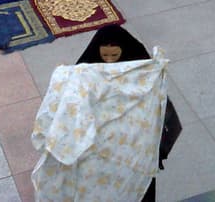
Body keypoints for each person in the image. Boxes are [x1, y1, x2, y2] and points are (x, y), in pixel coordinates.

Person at [73, 25, 182, 202]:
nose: (109, 62)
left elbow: (161, 114)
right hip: (103, 156)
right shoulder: (88, 74)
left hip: (136, 155)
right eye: (105, 56)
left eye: (114, 55)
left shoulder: (142, 78)